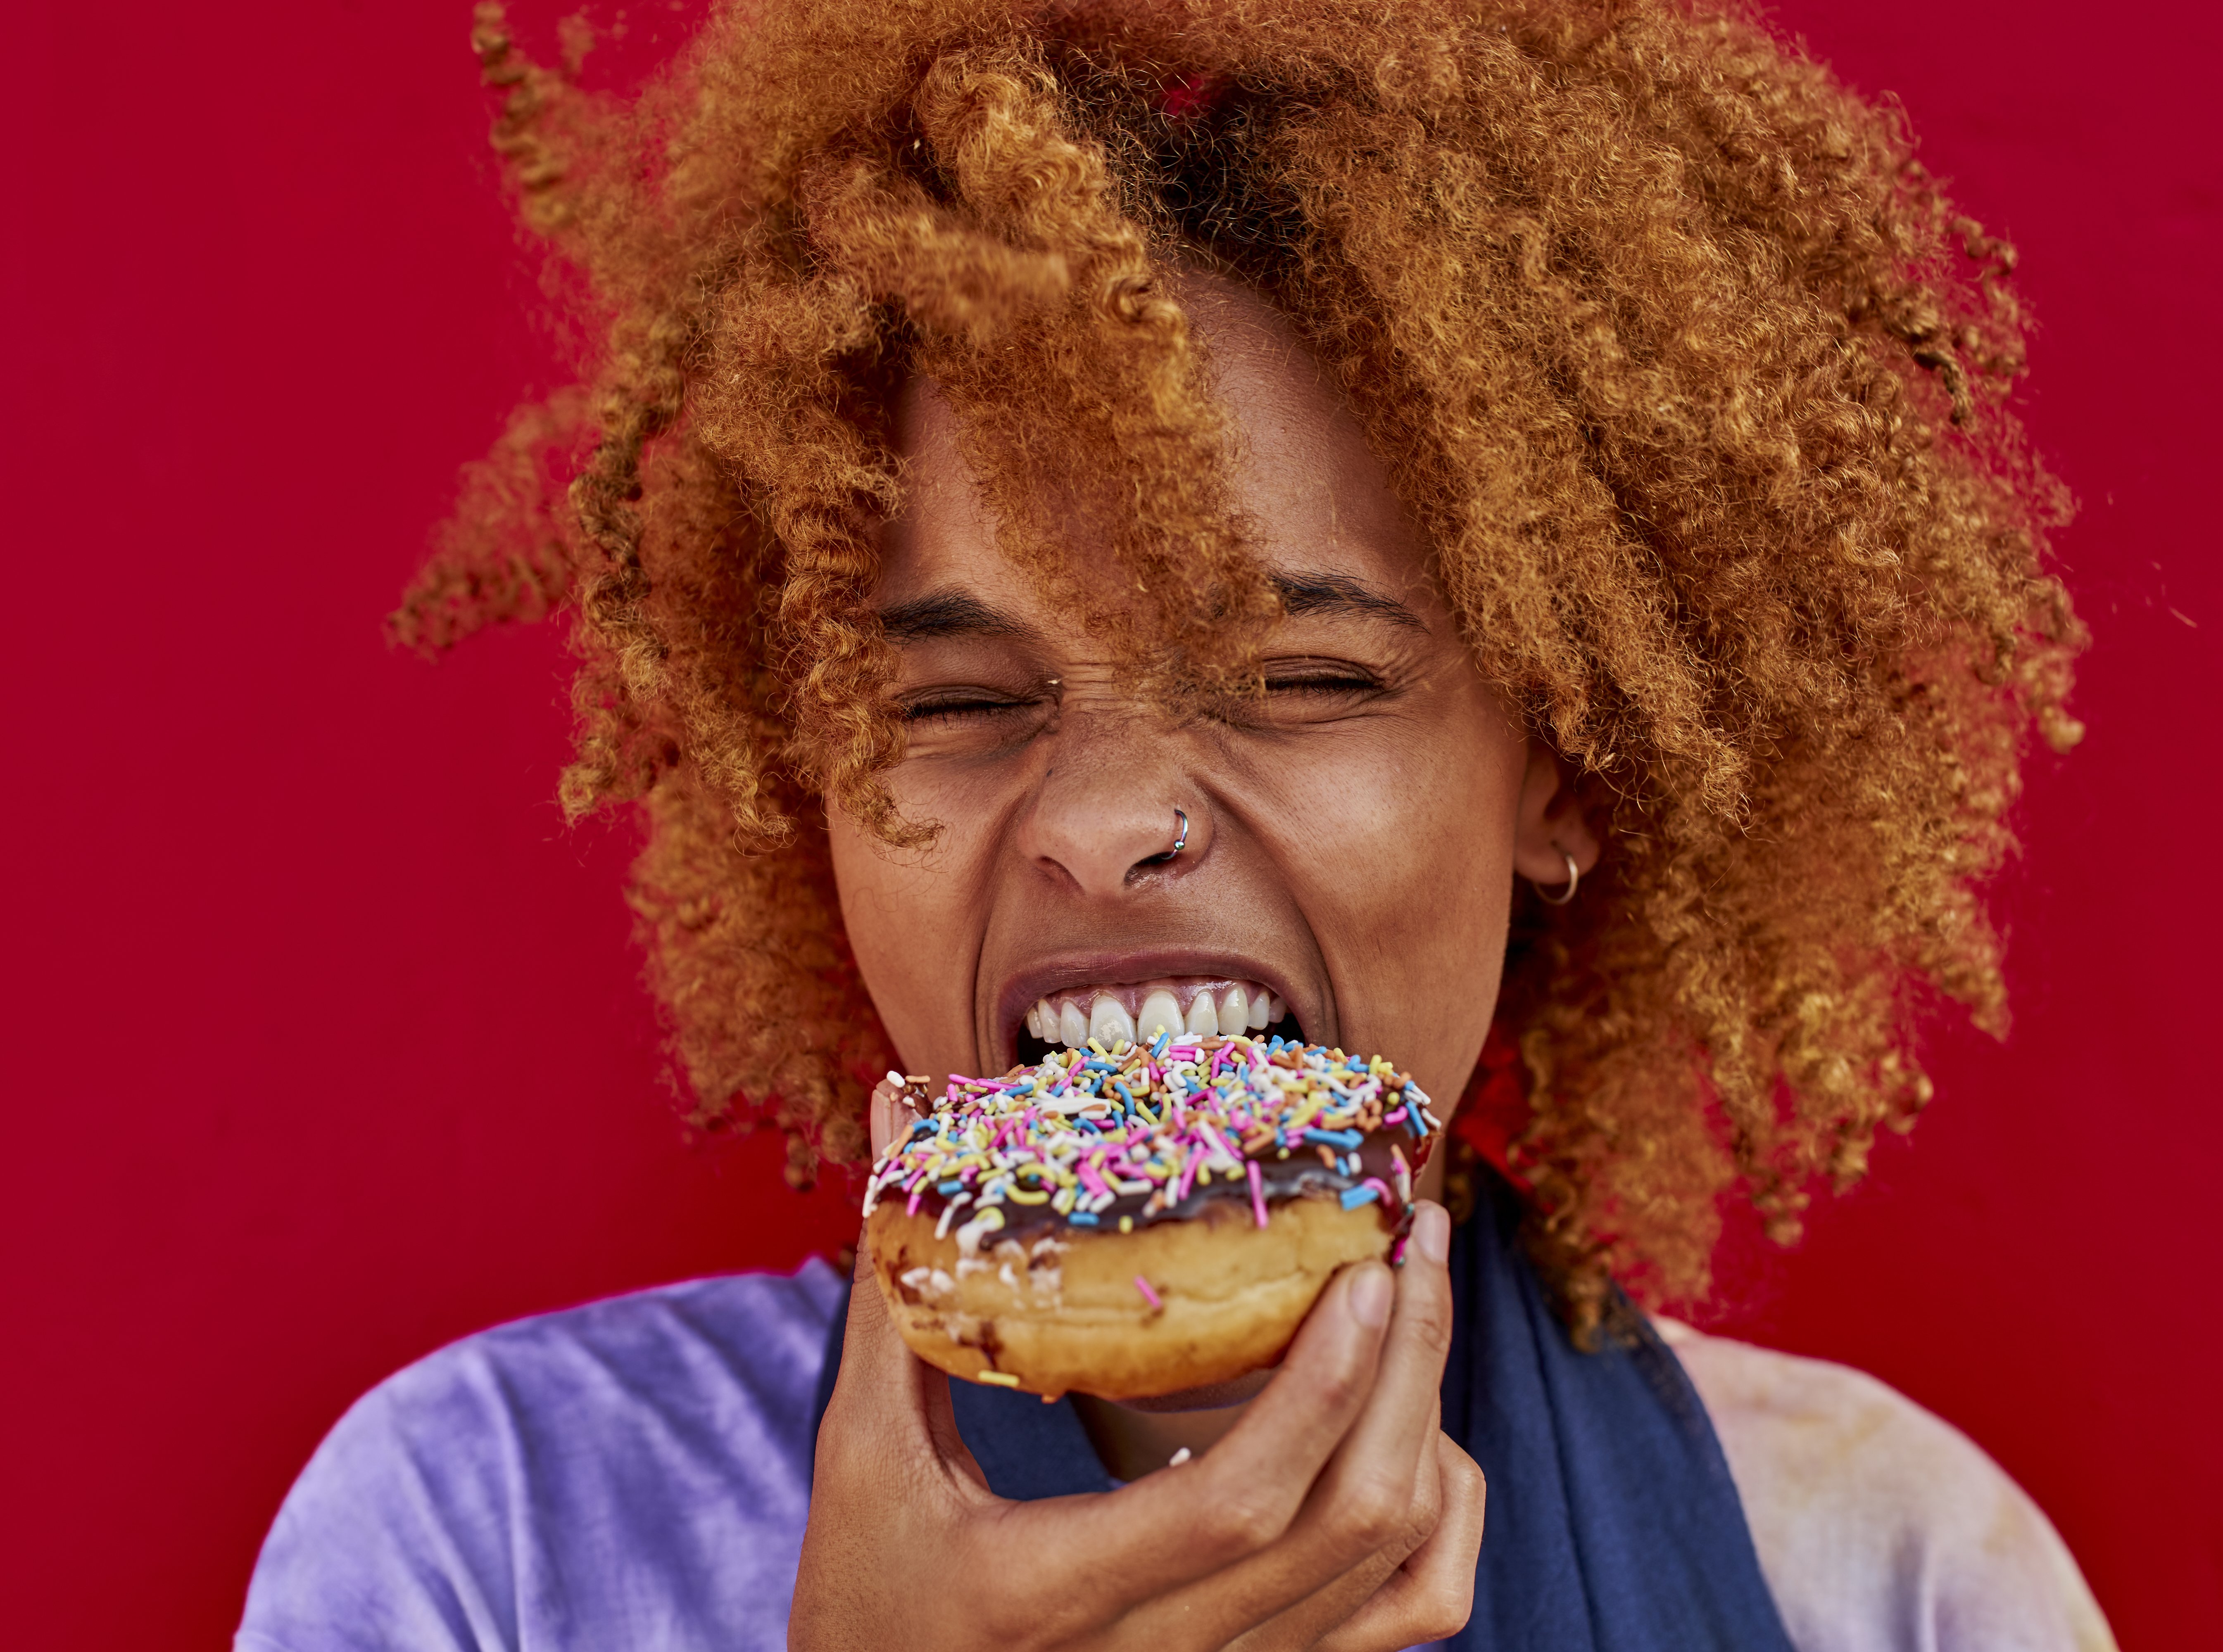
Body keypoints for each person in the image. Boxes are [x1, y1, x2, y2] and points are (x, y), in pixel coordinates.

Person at [239, 1, 2115, 1647]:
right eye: (956, 704)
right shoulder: (482, 1539)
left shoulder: (1895, 1580)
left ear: (1563, 775)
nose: (1113, 825)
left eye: (1301, 678)